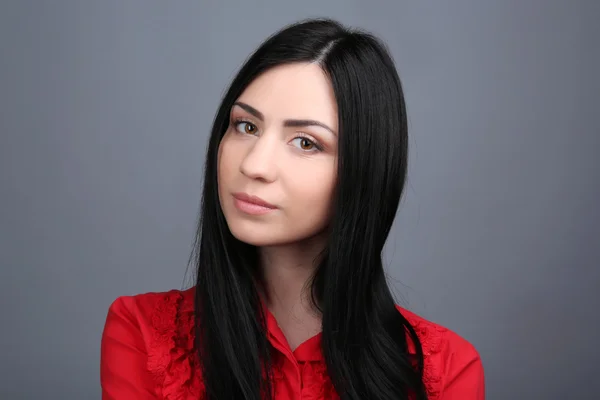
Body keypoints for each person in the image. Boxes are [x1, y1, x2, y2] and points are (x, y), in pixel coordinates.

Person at [100, 18, 485, 400]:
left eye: (305, 143)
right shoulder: (144, 335)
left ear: (364, 170)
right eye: (246, 126)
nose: (254, 165)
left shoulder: (445, 371)